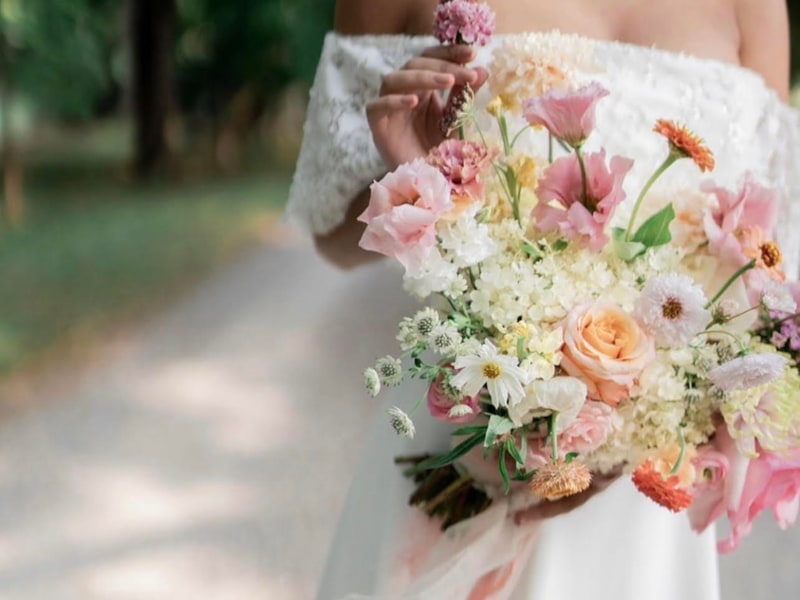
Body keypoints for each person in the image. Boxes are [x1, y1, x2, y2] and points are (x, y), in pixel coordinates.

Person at [285, 0, 799, 598]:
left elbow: (768, 266)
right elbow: (334, 238)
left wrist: (637, 421)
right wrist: (413, 178)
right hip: (459, 431)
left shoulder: (756, 9)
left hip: (644, 490)